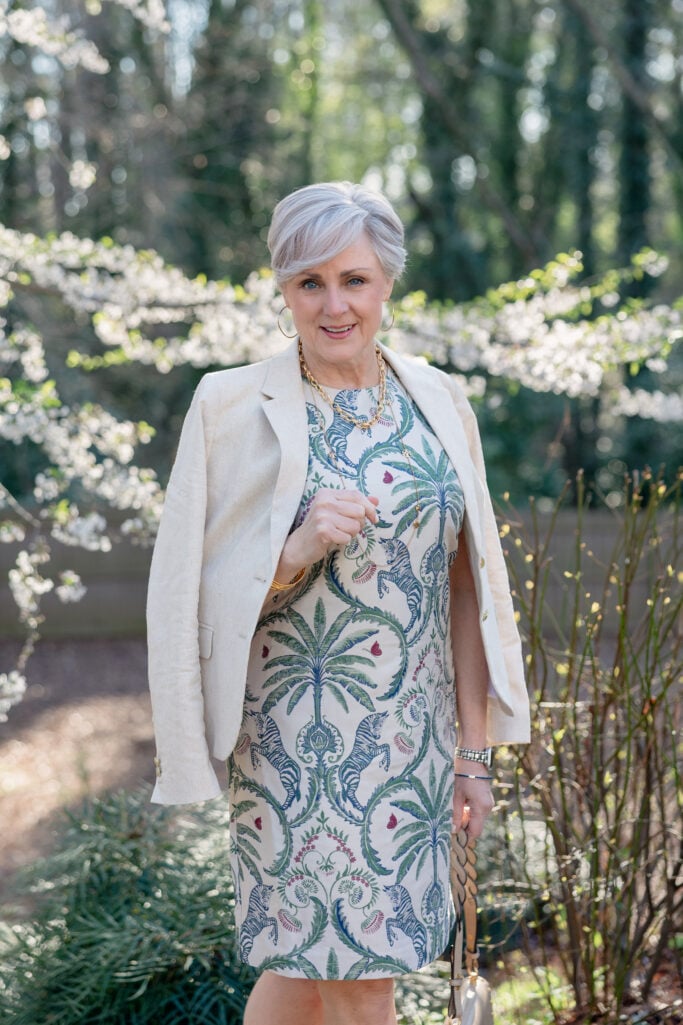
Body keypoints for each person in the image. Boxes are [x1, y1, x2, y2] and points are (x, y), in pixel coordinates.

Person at [146, 181, 530, 1025]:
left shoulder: (439, 401)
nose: (333, 305)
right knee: (356, 976)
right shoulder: (228, 405)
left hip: (417, 743)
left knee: (305, 970)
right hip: (294, 750)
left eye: (352, 279)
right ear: (282, 287)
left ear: (386, 281)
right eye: (308, 282)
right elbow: (186, 591)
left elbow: (463, 590)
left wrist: (472, 755)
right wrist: (294, 548)